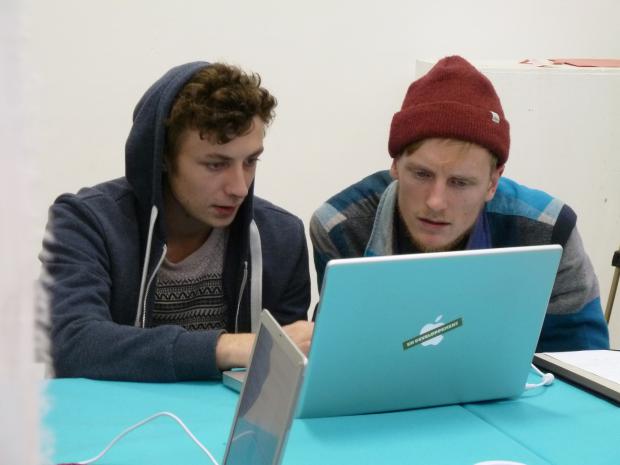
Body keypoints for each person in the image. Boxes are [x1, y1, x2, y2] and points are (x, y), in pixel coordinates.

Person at [310, 55, 609, 352]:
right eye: (421, 174)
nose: (436, 201)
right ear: (396, 165)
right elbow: (340, 356)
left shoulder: (549, 233)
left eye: (460, 182)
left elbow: (582, 362)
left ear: (493, 182)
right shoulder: (341, 228)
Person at [39, 61, 313, 381]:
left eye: (250, 161)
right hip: (114, 414)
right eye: (215, 164)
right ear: (164, 158)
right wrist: (233, 347)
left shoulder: (281, 237)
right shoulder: (86, 223)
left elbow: (286, 377)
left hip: (223, 416)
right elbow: (71, 344)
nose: (239, 188)